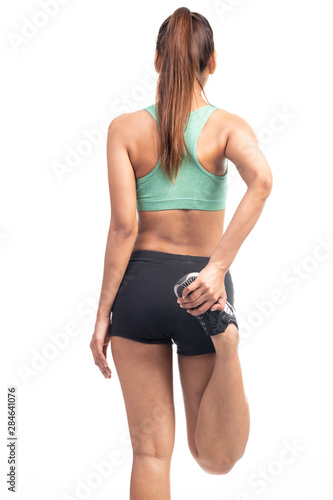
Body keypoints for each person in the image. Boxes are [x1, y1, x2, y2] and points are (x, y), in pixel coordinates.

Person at [90, 7, 273, 499]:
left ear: (155, 61)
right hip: (203, 292)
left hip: (139, 289)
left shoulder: (124, 130)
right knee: (215, 458)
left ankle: (223, 341)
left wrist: (104, 312)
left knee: (150, 452)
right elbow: (263, 181)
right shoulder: (228, 126)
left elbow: (125, 227)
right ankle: (227, 345)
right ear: (212, 61)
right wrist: (217, 269)